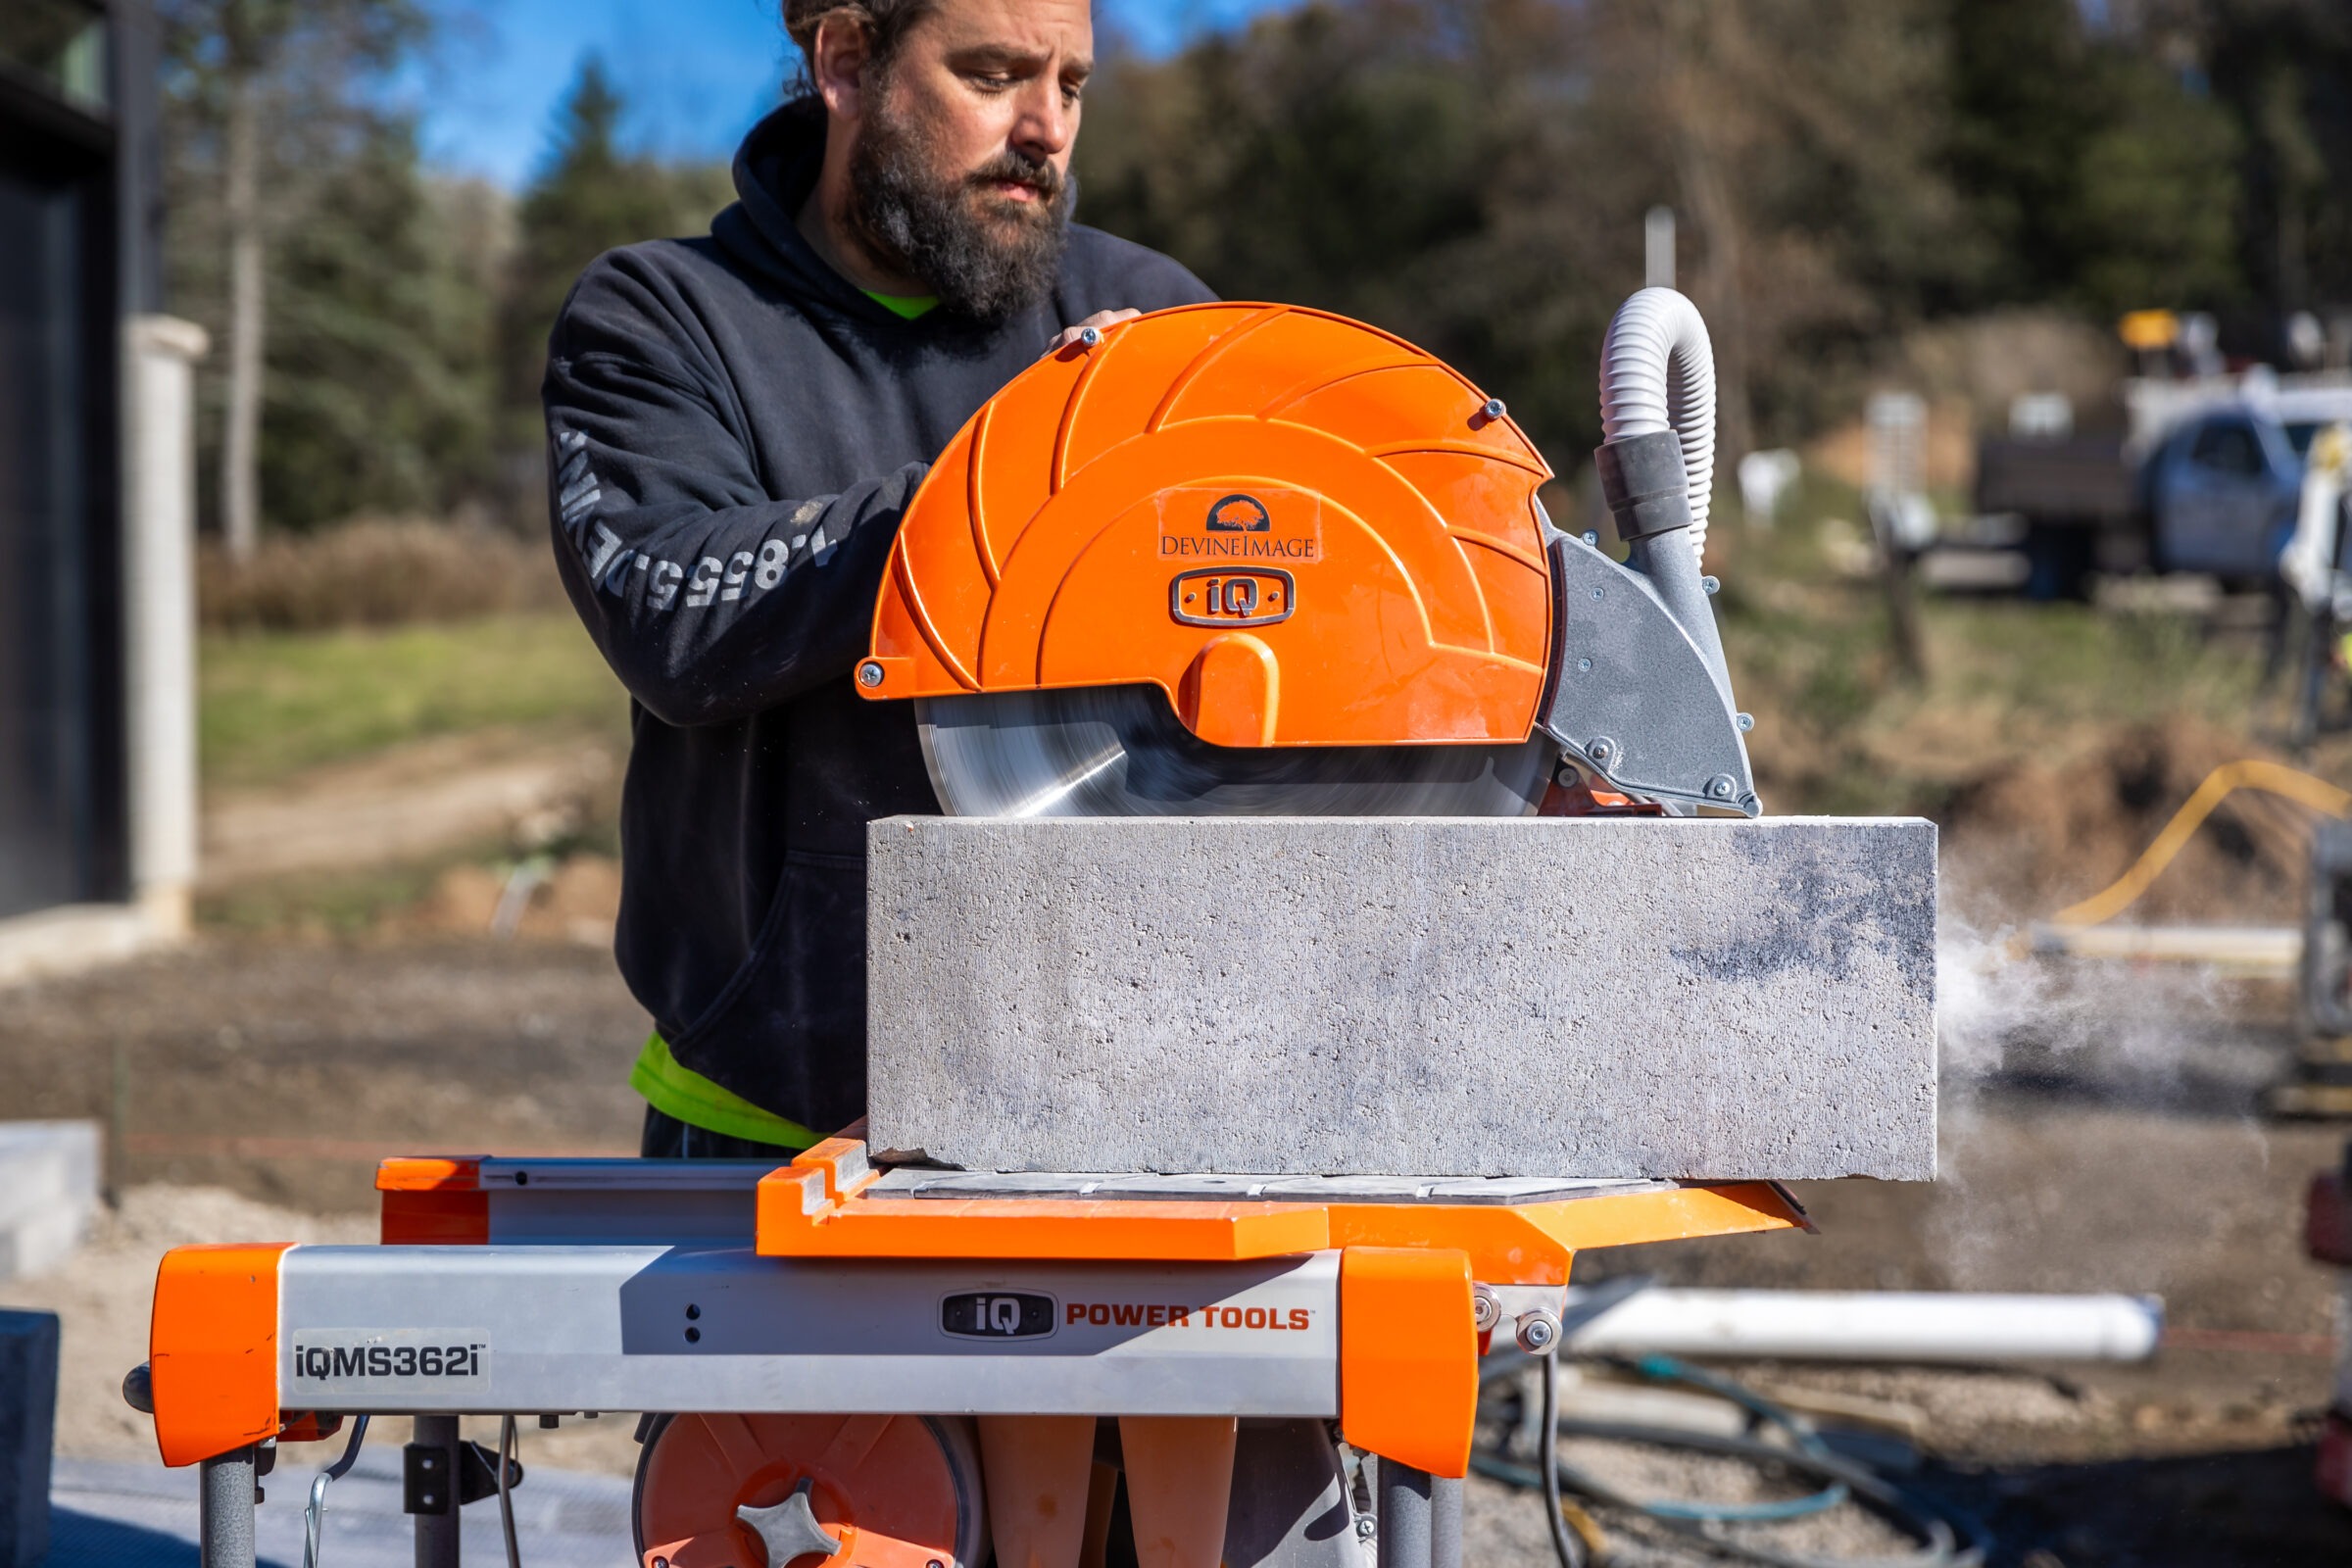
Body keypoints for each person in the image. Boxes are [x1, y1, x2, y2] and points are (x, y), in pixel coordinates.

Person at [543, 0, 1214, 1158]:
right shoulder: (663, 319)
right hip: (768, 1118)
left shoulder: (1156, 317)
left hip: (1115, 1101)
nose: (1046, 127)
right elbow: (666, 618)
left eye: (1071, 84)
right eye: (994, 73)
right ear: (846, 60)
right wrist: (1018, 478)